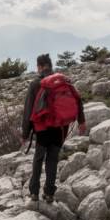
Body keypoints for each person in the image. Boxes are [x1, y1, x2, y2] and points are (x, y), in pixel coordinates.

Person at [21, 53, 86, 204]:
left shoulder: (36, 84)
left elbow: (28, 110)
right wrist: (81, 121)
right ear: (50, 65)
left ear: (40, 66)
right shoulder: (64, 81)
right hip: (60, 127)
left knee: (38, 159)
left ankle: (34, 193)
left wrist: (25, 133)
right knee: (52, 160)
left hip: (43, 129)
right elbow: (78, 100)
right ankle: (49, 193)